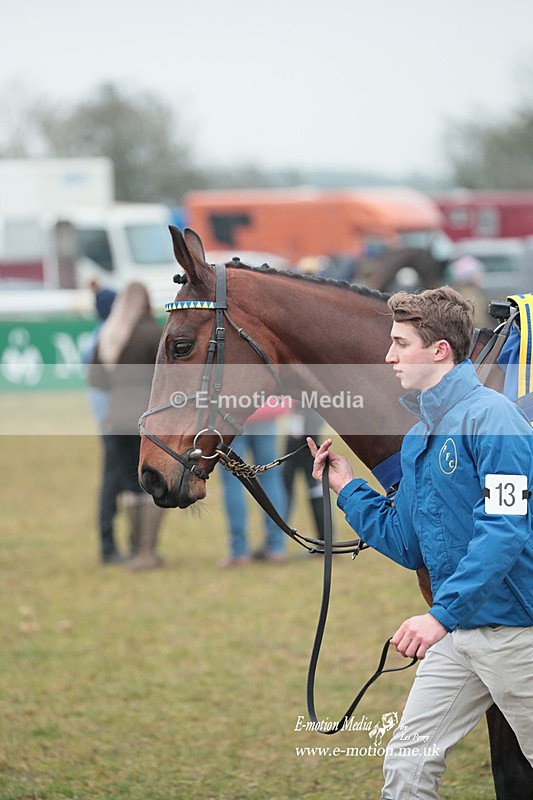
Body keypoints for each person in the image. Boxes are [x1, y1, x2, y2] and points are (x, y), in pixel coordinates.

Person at [308, 286, 533, 799]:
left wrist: (438, 616)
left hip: (517, 633)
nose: (388, 356)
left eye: (400, 343)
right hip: (458, 635)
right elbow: (407, 542)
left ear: (440, 350)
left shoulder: (495, 419)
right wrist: (348, 488)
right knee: (407, 763)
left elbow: (505, 529)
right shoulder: (418, 437)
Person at [89, 281, 165, 571]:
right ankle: (145, 549)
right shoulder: (153, 335)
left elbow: (97, 381)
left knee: (126, 484)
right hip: (148, 420)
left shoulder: (110, 335)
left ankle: (130, 548)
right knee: (151, 482)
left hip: (116, 418)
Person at [219, 403, 288, 567]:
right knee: (271, 478)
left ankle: (239, 552)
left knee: (233, 481)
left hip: (231, 414)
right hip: (266, 409)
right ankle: (277, 548)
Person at [85, 285, 124, 564]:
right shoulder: (109, 338)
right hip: (115, 420)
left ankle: (109, 542)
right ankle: (109, 544)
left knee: (112, 481)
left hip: (106, 420)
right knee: (114, 482)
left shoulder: (95, 338)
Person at [448, 254, 492, 328]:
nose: (481, 275)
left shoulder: (459, 291)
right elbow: (477, 320)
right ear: (469, 275)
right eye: (478, 272)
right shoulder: (471, 294)